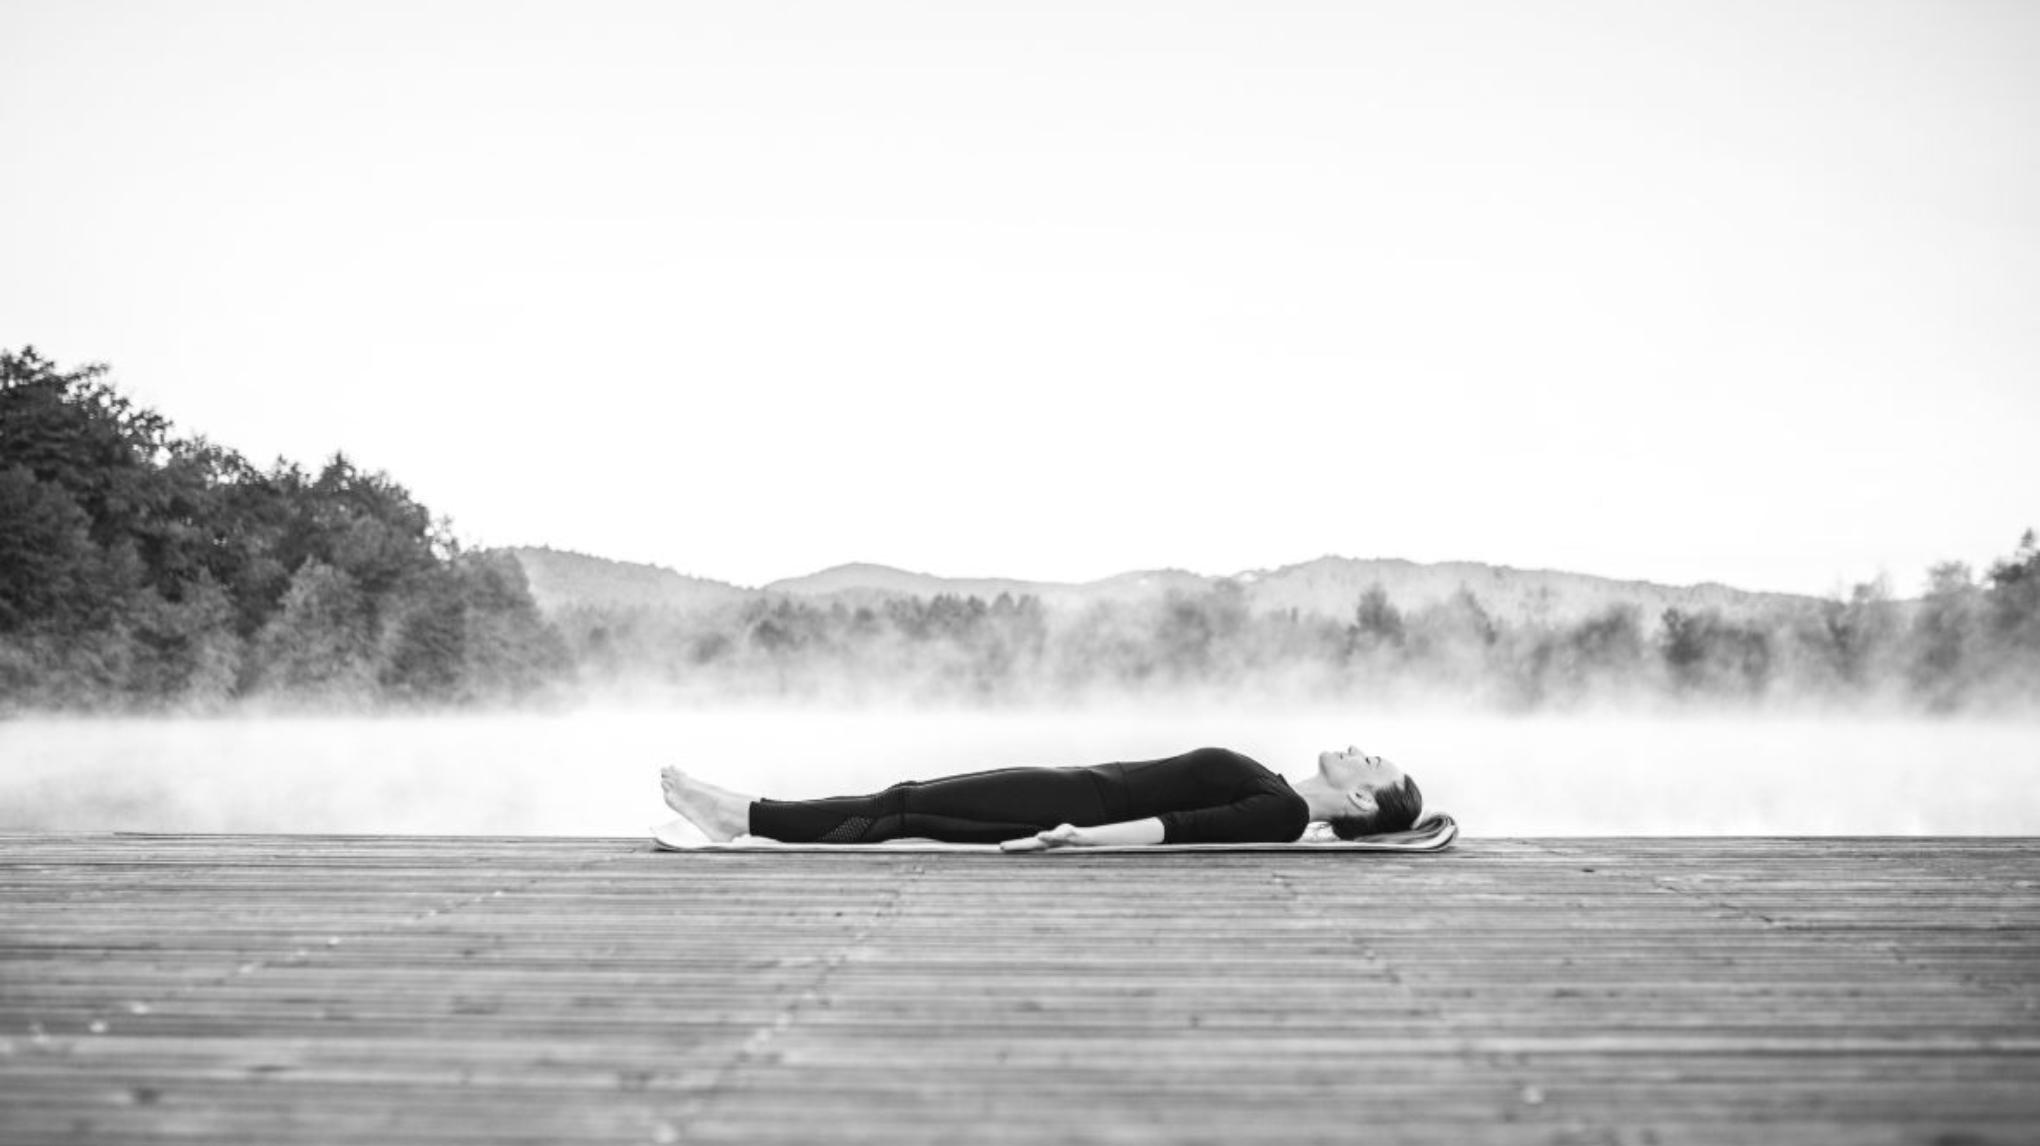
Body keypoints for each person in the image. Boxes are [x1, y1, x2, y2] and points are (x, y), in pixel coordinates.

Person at [658, 744, 1422, 851]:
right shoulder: (1282, 798)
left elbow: (1175, 828)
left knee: (902, 807)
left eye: (1373, 762)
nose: (1360, 746)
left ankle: (740, 817)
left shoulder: (1285, 813)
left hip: (1077, 806)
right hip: (1075, 789)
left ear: (1361, 798)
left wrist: (1078, 837)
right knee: (905, 805)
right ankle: (746, 816)